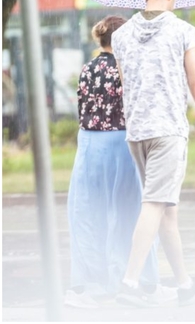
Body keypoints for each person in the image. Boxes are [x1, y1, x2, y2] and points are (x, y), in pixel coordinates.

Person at [111, 0, 195, 307]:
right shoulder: (181, 31)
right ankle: (129, 284)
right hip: (167, 130)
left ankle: (184, 284)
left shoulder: (121, 35)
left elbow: (126, 84)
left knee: (165, 210)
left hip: (138, 132)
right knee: (154, 205)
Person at [65, 16, 173, 308]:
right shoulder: (127, 69)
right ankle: (141, 282)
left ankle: (92, 282)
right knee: (133, 214)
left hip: (88, 145)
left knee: (89, 214)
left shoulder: (88, 69)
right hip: (121, 143)